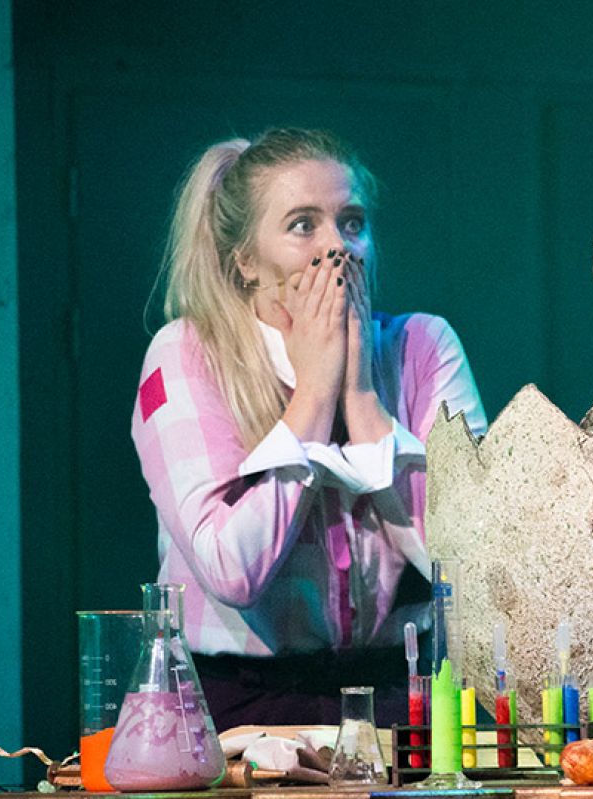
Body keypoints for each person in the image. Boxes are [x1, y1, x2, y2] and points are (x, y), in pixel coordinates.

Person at [130, 128, 487, 728]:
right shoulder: (190, 354)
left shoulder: (423, 346)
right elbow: (231, 569)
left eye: (352, 222)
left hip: (394, 692)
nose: (337, 247)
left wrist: (362, 397)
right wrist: (314, 400)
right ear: (245, 262)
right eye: (303, 225)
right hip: (239, 704)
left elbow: (468, 566)